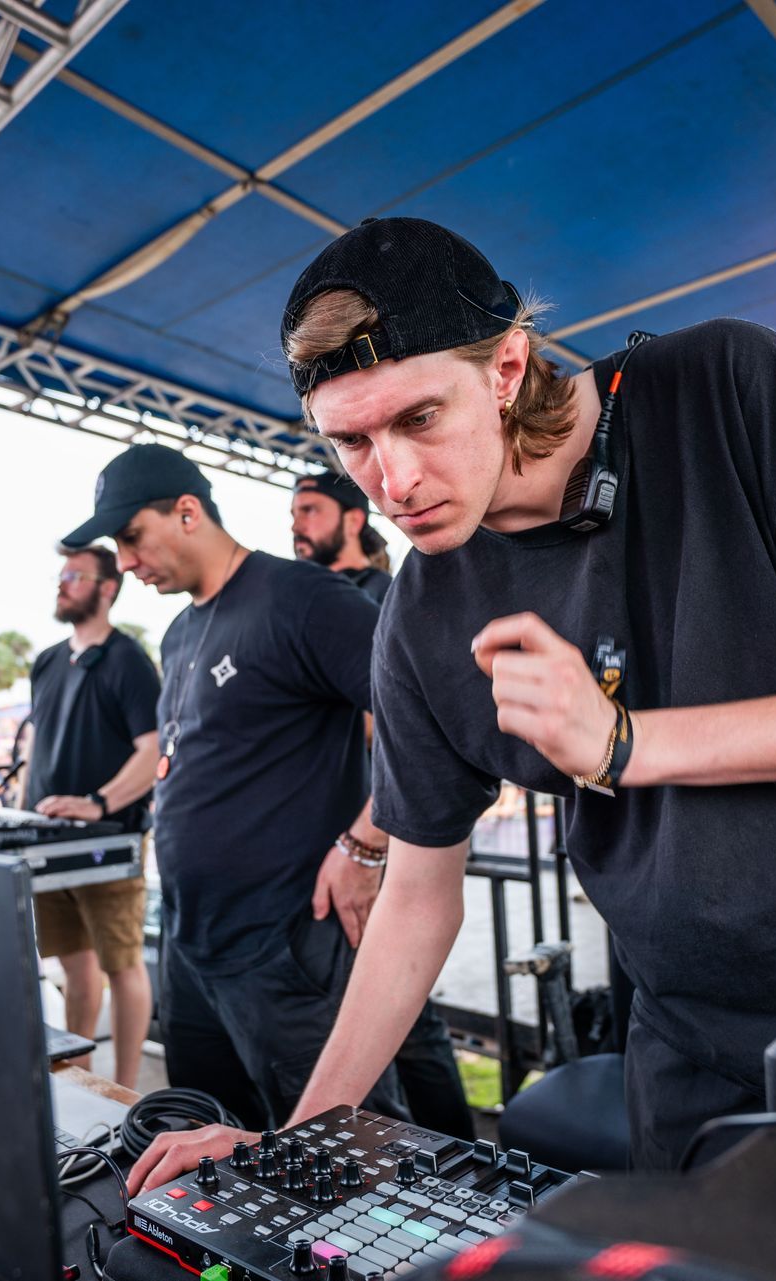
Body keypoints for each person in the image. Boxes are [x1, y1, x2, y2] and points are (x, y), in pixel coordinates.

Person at [128, 216, 776, 1188]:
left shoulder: (728, 388)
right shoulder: (420, 612)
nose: (392, 480)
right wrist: (302, 1135)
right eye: (352, 441)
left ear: (505, 368)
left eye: (419, 419)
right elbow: (417, 894)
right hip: (700, 1047)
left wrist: (621, 742)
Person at [59, 443, 455, 1129]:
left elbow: (434, 714)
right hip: (188, 947)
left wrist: (367, 843)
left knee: (343, 1154)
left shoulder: (303, 598)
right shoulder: (180, 631)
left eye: (131, 537)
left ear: (187, 512)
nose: (124, 562)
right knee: (209, 1153)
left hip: (285, 950)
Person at [290, 468, 475, 1140]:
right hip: (343, 843)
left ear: (350, 518)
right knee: (387, 1005)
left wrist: (366, 838)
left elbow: (408, 725)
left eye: (310, 510)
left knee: (410, 1013)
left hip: (390, 829)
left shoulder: (387, 594)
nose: (296, 524)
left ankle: (461, 1156)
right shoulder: (311, 598)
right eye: (292, 512)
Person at [19, 545, 161, 1087]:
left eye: (74, 575)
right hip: (48, 844)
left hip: (110, 841)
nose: (62, 584)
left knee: (122, 966)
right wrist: (19, 815)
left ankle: (124, 1093)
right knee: (75, 967)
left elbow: (152, 752)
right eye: (61, 575)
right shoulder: (47, 661)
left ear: (107, 588)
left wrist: (98, 803)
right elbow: (35, 746)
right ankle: (80, 1082)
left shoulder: (128, 659)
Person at [290, 470, 396, 603]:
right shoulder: (297, 588)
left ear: (353, 521)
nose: (295, 527)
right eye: (294, 514)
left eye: (309, 510)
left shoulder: (382, 592)